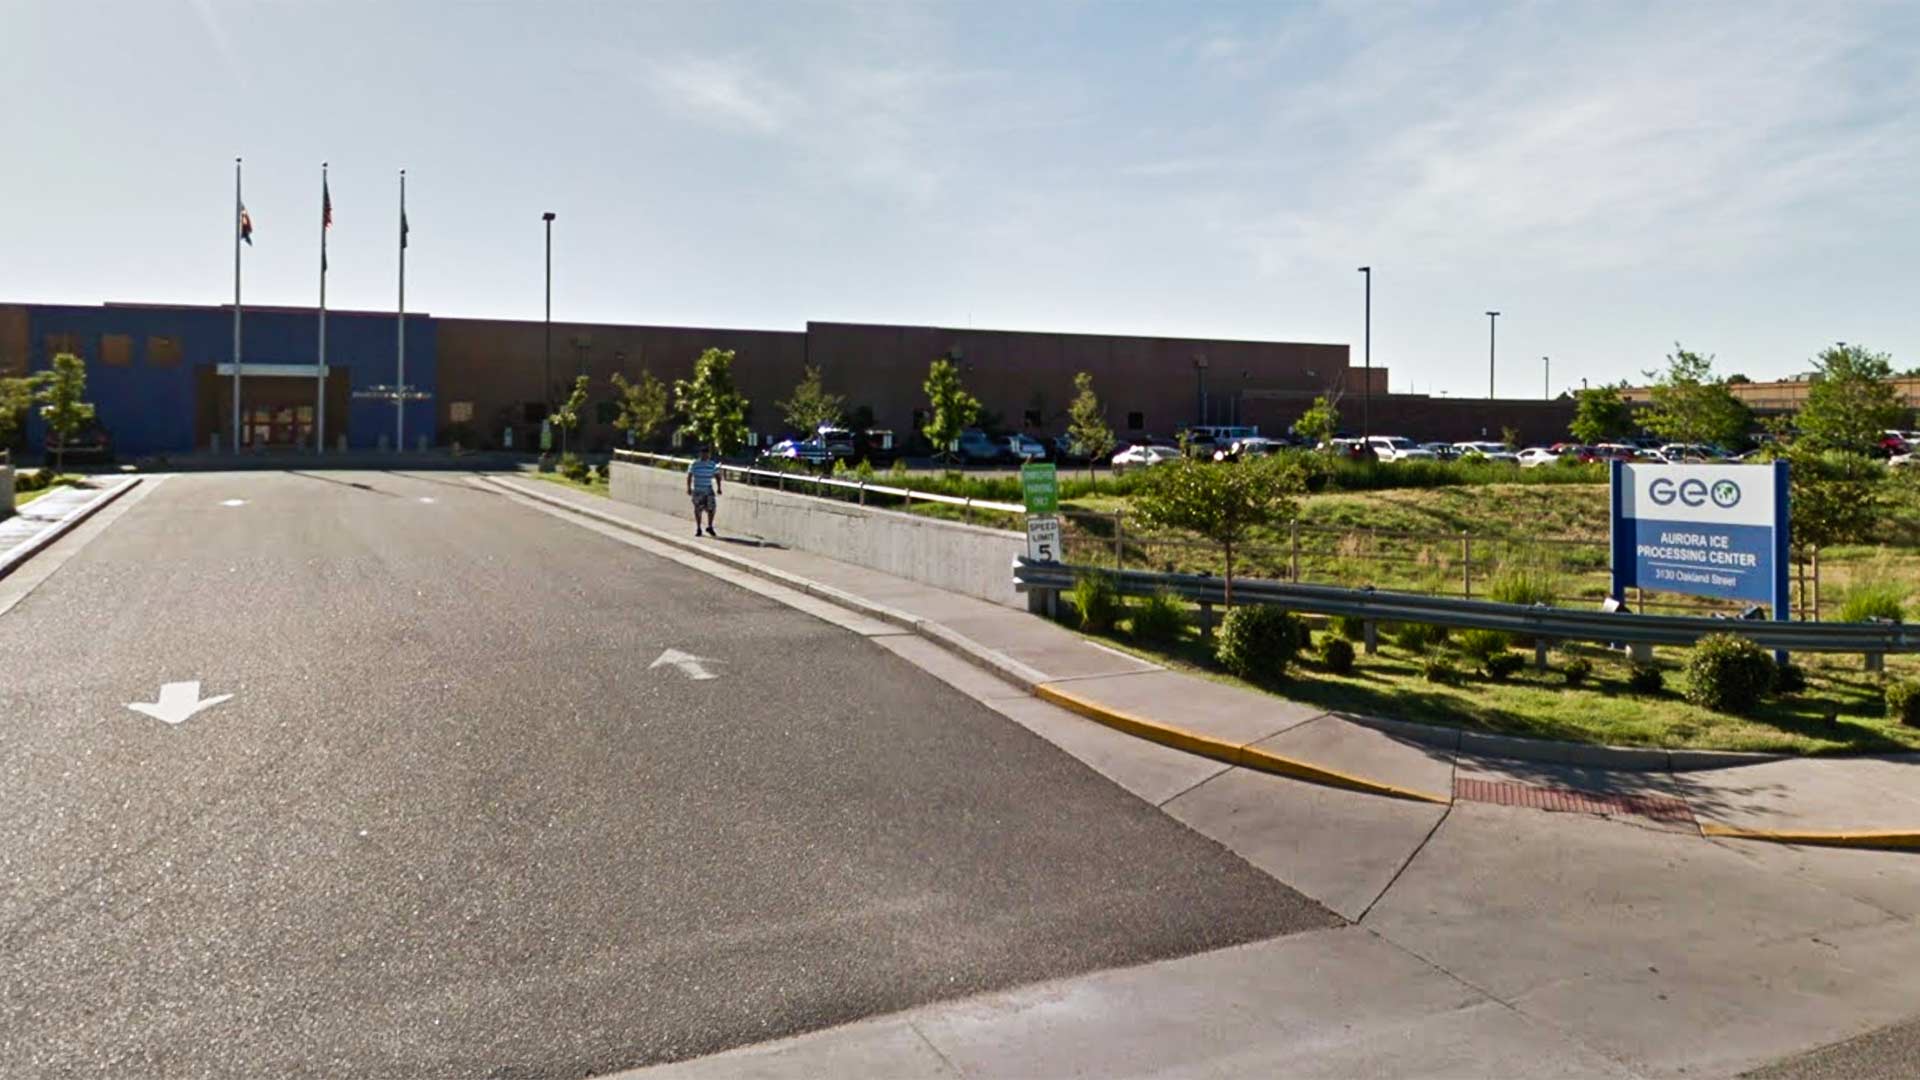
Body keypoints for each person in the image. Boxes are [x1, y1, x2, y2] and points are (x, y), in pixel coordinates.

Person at [686, 446, 721, 536]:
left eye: (707, 453)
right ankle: (698, 528)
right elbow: (689, 476)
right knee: (698, 510)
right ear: (700, 454)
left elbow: (717, 476)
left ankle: (709, 526)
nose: (705, 455)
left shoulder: (712, 464)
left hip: (708, 490)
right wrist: (689, 488)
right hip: (698, 490)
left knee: (712, 509)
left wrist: (719, 487)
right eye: (704, 453)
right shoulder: (694, 464)